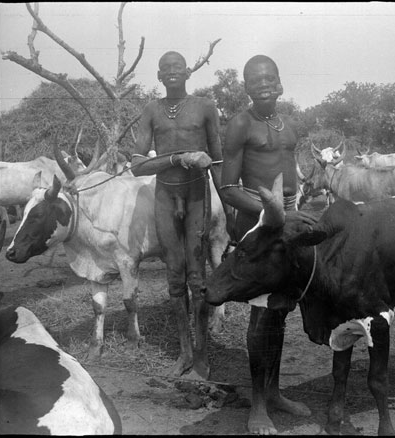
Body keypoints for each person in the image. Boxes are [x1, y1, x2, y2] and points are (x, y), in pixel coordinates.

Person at [220, 55, 317, 434]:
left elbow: (291, 181)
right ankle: (257, 406)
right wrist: (269, 212)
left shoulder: (290, 125)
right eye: (254, 80)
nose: (263, 84)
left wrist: (292, 211)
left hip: (288, 220)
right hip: (258, 223)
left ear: (279, 83)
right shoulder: (240, 124)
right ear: (246, 87)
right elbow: (228, 188)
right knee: (262, 313)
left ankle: (275, 393)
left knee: (280, 309)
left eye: (269, 78)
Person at [130, 51, 225, 381]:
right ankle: (184, 353)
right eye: (165, 68)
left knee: (197, 278)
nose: (172, 72)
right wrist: (177, 159)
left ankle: (202, 355)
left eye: (177, 67)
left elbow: (218, 159)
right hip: (165, 196)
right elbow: (137, 165)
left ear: (188, 72)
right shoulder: (151, 110)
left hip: (198, 194)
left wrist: (230, 204)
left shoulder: (205, 107)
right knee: (175, 278)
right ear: (158, 76)